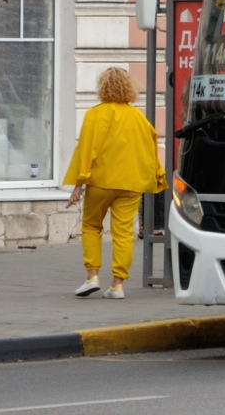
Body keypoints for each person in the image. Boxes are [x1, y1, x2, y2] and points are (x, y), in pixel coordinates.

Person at [63, 67, 167, 299]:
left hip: (101, 182)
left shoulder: (94, 115)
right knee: (123, 234)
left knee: (91, 226)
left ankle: (92, 277)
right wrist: (157, 176)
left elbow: (86, 150)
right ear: (129, 87)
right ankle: (117, 285)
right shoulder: (138, 117)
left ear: (102, 87)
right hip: (130, 184)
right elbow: (151, 147)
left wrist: (78, 185)